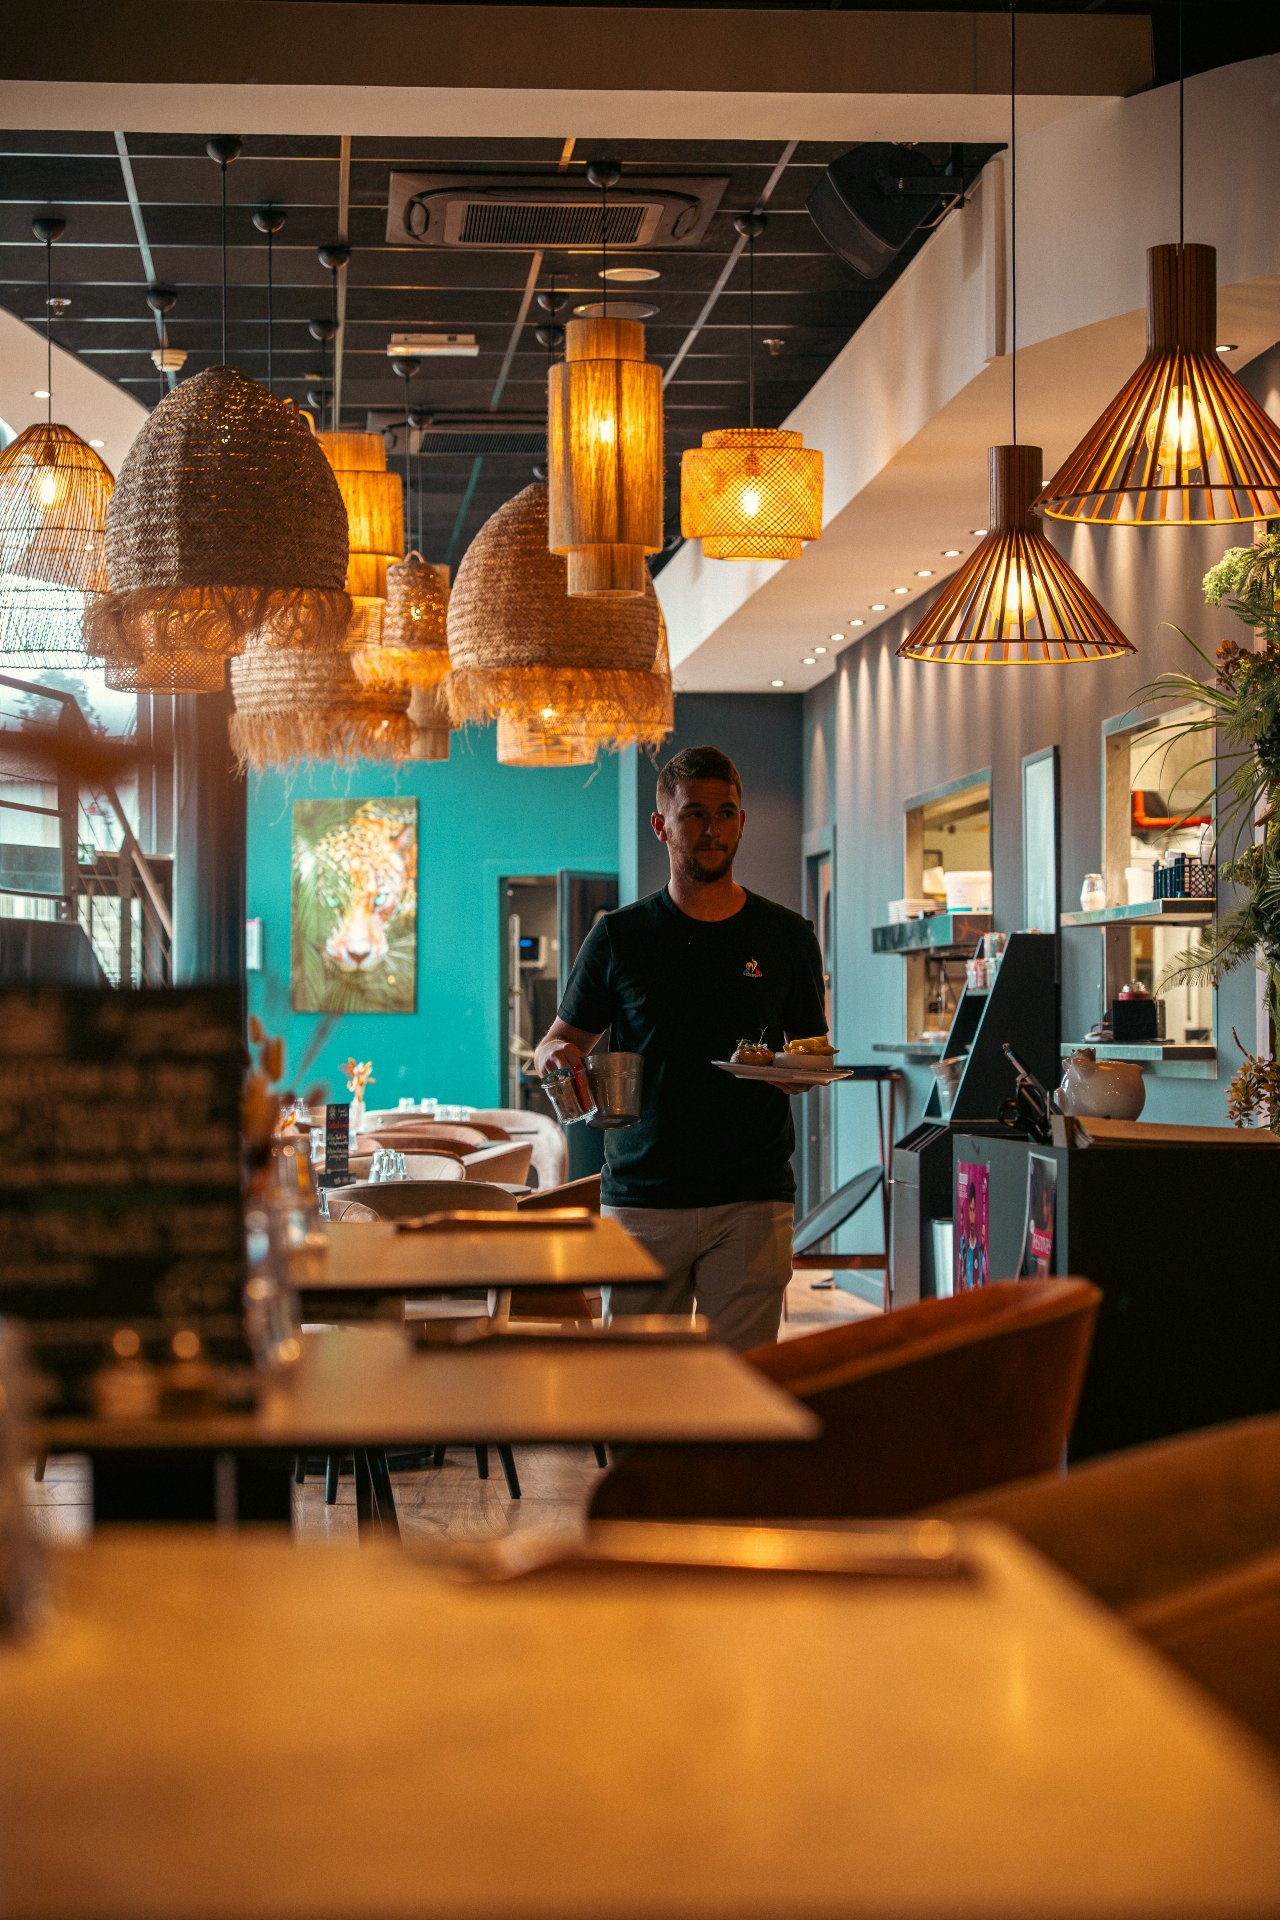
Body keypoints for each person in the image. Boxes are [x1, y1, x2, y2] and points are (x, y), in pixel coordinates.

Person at [534, 744, 828, 1349]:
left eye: (725, 813)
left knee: (742, 1386)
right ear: (661, 825)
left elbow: (812, 1049)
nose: (712, 829)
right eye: (694, 813)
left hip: (752, 1195)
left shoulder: (787, 937)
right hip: (643, 1200)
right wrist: (553, 1059)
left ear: (742, 821)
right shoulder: (619, 937)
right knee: (637, 1387)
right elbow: (557, 1042)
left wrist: (800, 1070)